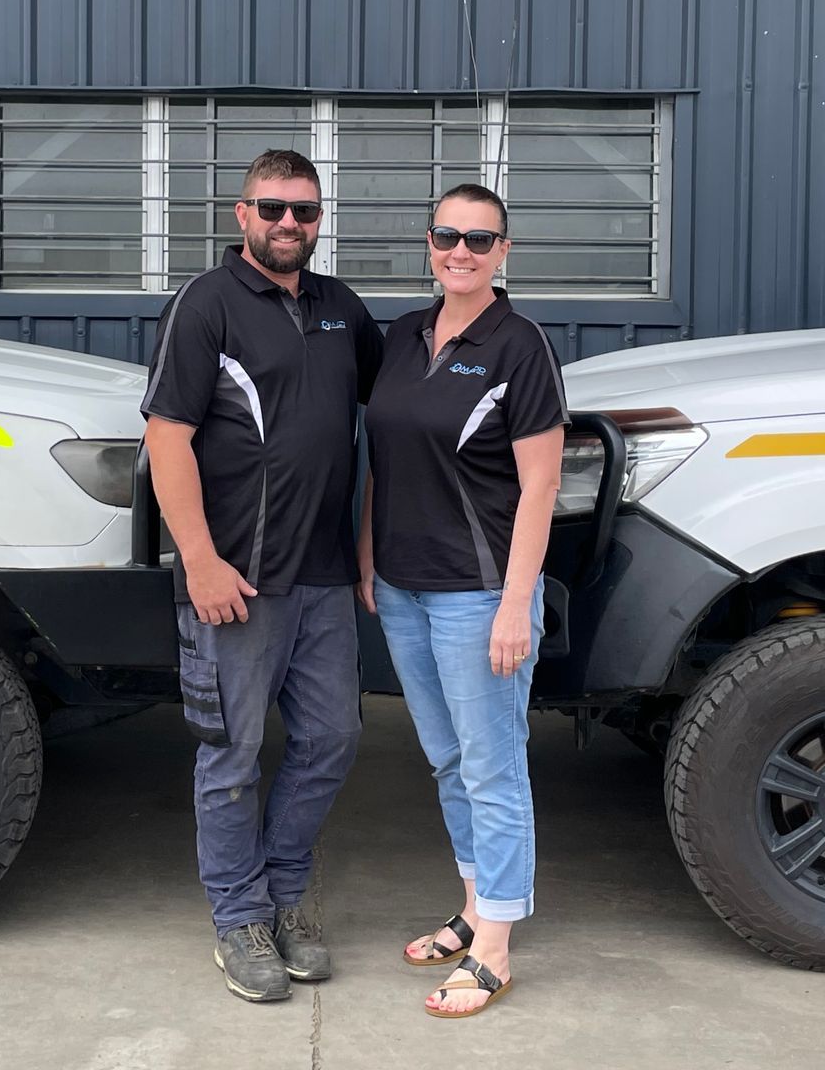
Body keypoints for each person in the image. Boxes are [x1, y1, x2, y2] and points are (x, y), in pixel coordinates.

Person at [142, 148, 386, 1004]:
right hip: (235, 579)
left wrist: (364, 547)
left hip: (321, 577)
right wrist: (200, 560)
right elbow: (166, 437)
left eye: (306, 212)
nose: (290, 224)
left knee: (331, 741)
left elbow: (383, 425)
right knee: (233, 756)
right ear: (240, 214)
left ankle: (285, 895)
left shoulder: (340, 310)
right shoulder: (205, 305)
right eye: (273, 209)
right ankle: (238, 917)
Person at [357, 183, 568, 1019]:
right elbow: (383, 457)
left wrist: (518, 603)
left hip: (479, 595)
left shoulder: (520, 346)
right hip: (404, 587)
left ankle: (497, 946)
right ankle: (477, 905)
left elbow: (541, 484)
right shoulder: (404, 336)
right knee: (448, 760)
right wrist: (373, 555)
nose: (462, 252)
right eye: (448, 235)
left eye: (481, 241)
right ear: (430, 242)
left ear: (503, 253)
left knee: (492, 765)